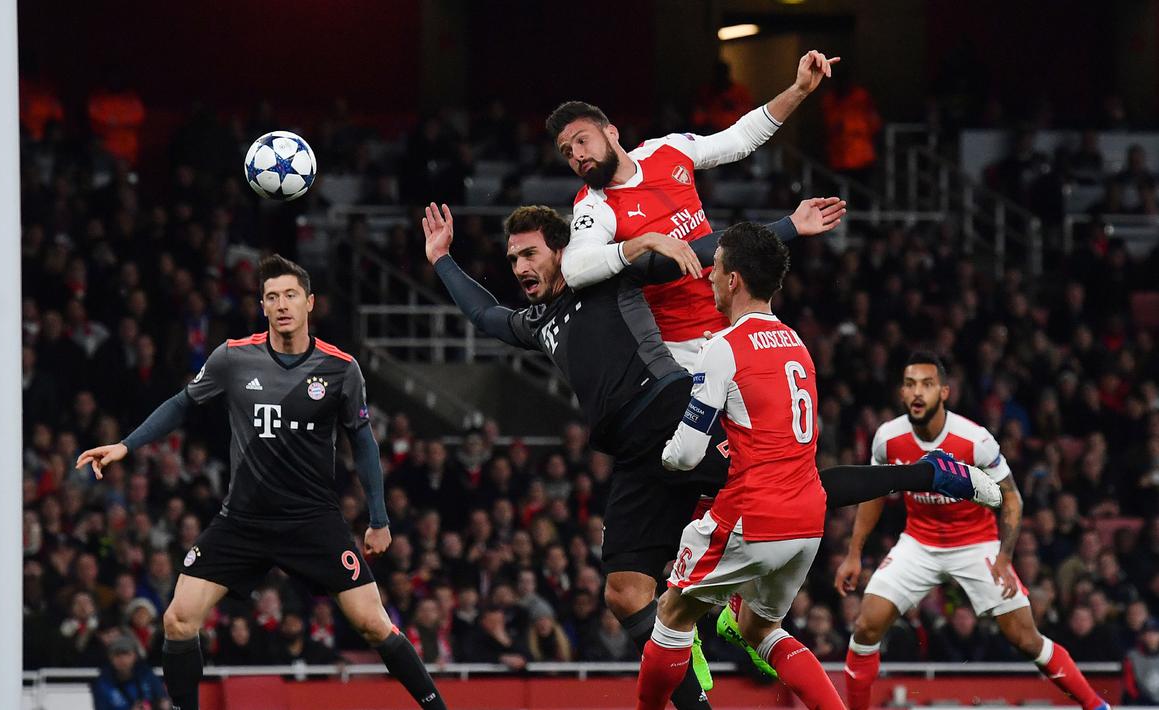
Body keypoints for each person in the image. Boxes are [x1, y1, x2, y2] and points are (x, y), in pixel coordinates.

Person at [422, 203, 998, 710]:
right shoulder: (537, 322)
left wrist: (788, 229)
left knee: (801, 485)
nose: (520, 266)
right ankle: (696, 649)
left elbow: (695, 254)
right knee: (624, 594)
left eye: (529, 253)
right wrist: (442, 259)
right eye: (512, 257)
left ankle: (929, 471)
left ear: (564, 252)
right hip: (631, 455)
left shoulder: (601, 278)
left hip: (672, 413)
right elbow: (484, 317)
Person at [76, 255, 446, 710]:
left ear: (309, 302)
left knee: (373, 625)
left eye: (290, 295)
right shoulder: (233, 357)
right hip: (243, 521)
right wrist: (125, 446)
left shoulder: (340, 369)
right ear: (262, 306)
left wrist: (378, 518)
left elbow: (363, 443)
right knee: (178, 620)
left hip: (312, 522)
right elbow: (180, 404)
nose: (282, 304)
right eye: (272, 297)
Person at [633, 224, 980, 710]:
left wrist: (666, 457)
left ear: (733, 280)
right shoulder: (796, 344)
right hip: (806, 522)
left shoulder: (723, 347)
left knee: (671, 612)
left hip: (753, 515)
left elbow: (687, 454)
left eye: (715, 268)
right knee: (761, 628)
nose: (708, 276)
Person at [836, 352, 1108, 710]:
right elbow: (873, 494)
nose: (918, 392)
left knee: (1025, 639)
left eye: (927, 384)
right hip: (918, 542)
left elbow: (1012, 498)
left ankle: (1099, 707)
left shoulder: (973, 439)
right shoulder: (887, 438)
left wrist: (1004, 557)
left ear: (945, 392)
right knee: (865, 627)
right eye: (910, 384)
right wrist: (854, 553)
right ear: (902, 393)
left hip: (975, 543)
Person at [546, 49, 839, 372]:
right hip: (681, 348)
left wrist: (798, 90)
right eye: (567, 151)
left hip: (737, 319)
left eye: (582, 141)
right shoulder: (593, 205)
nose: (576, 154)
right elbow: (575, 269)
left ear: (611, 132)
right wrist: (643, 242)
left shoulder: (667, 150)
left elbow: (740, 138)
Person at [91, 635, 170, 710]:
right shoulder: (103, 683)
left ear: (135, 656)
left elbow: (163, 699)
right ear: (110, 658)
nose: (122, 659)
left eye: (126, 654)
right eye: (117, 655)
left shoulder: (146, 674)